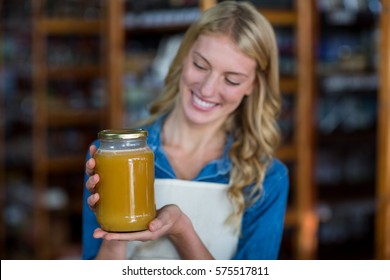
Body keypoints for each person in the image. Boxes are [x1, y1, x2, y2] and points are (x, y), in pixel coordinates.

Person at [82, 1, 289, 260]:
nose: (208, 89)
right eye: (201, 65)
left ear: (253, 85)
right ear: (183, 58)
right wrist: (113, 231)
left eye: (231, 79)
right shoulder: (112, 155)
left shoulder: (267, 178)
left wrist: (182, 231)